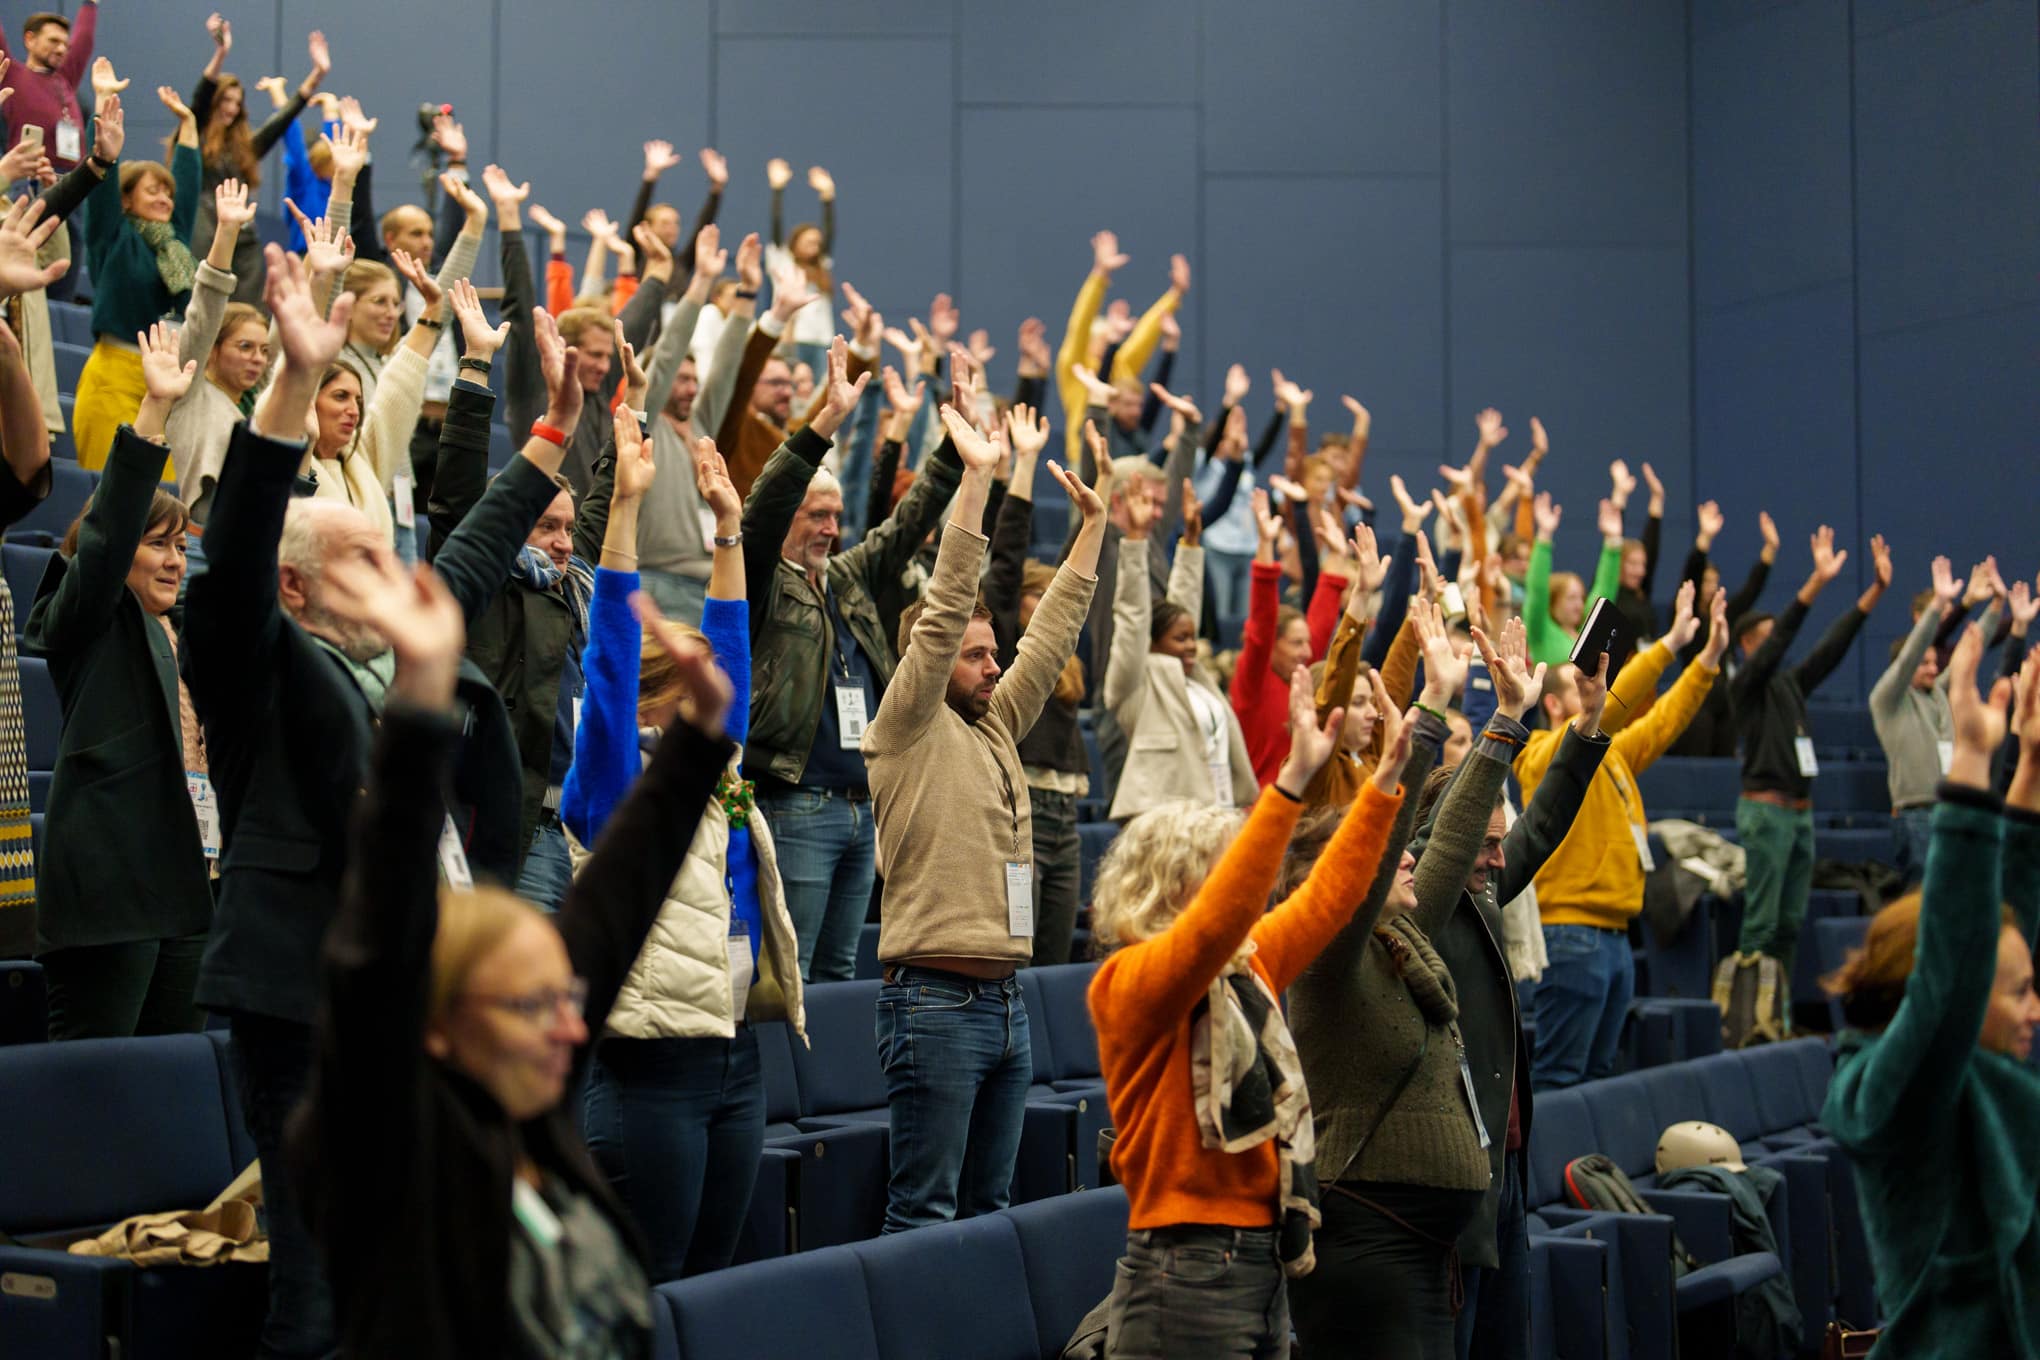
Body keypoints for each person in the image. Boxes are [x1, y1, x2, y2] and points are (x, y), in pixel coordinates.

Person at [184, 245, 592, 1357]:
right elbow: (229, 560)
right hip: (307, 998)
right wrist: (288, 386)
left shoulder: (398, 651)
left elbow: (475, 550)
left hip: (425, 985)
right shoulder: (261, 663)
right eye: (365, 563)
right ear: (296, 586)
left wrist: (553, 431)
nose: (397, 580)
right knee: (319, 1296)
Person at [289, 538, 735, 1358]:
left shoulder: (534, 1117)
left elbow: (614, 907)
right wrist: (422, 703)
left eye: (565, 1000)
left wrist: (699, 741)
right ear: (436, 1024)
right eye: (533, 1006)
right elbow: (378, 947)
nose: (570, 1026)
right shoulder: (394, 1145)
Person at [1089, 664, 1413, 1359]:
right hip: (1186, 1268)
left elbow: (1330, 893)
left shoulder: (1243, 967)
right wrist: (1292, 781)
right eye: (1228, 867)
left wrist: (1385, 781)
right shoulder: (1130, 981)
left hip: (1262, 1260)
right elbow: (1219, 920)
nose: (1252, 886)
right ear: (1177, 886)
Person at [566, 424, 806, 1279]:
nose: (715, 703)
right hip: (650, 1069)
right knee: (653, 1292)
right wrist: (626, 507)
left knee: (714, 1289)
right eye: (694, 691)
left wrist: (729, 528)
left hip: (735, 1056)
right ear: (655, 702)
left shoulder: (718, 772)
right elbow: (608, 664)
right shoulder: (612, 784)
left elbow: (730, 640)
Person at [862, 406, 1104, 1232]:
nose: (994, 665)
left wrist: (1092, 532)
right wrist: (975, 480)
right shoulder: (906, 723)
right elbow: (942, 611)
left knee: (992, 1215)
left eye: (992, 651)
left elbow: (1051, 636)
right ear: (930, 666)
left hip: (1006, 1004)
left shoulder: (995, 721)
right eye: (976, 655)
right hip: (933, 1004)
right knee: (924, 1215)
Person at [1287, 611, 1549, 1359]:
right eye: (1396, 854)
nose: (1415, 859)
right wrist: (1426, 720)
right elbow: (1382, 852)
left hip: (1426, 1250)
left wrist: (1505, 723)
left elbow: (1456, 834)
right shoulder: (1330, 957)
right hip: (1365, 1243)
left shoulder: (1402, 939)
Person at [1819, 625, 2040, 1359]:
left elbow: (2007, 914)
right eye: (2019, 993)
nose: (2035, 1009)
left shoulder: (1978, 1063)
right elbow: (1954, 978)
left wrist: (2030, 767)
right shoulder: (1883, 1091)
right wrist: (1972, 760)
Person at [739, 337, 963, 982]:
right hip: (797, 803)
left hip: (863, 807)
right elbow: (761, 514)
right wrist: (823, 427)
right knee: (790, 972)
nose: (831, 529)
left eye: (836, 516)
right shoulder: (756, 581)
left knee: (840, 971)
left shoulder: (847, 577)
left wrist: (953, 450)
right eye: (817, 515)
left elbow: (907, 524)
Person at [25, 324, 211, 1039]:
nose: (175, 562)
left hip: (190, 885)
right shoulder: (91, 619)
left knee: (171, 1078)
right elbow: (104, 544)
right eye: (157, 545)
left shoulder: (187, 632)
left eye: (181, 547)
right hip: (113, 891)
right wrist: (154, 413)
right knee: (95, 1082)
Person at [437, 297, 622, 911]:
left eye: (568, 527)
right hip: (515, 826)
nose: (564, 542)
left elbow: (605, 498)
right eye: (546, 526)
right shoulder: (487, 587)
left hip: (584, 827)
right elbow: (455, 499)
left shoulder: (576, 587)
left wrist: (637, 410)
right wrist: (475, 365)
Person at [1521, 581, 1729, 1089]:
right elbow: (1611, 706)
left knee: (1599, 1080)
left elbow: (1663, 722)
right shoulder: (1541, 756)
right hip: (1572, 932)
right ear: (1555, 705)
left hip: (1614, 936)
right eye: (1584, 686)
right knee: (1560, 1079)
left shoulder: (1611, 756)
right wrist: (1668, 646)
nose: (1597, 691)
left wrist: (1706, 661)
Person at [1732, 527, 1889, 987]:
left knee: (1789, 924)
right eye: (1766, 638)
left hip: (1800, 815)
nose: (1776, 644)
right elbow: (1784, 636)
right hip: (1766, 814)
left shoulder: (1791, 684)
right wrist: (1816, 581)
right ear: (1748, 645)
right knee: (1761, 924)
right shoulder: (1745, 687)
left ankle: (1775, 1013)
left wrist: (1876, 591)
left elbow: (1832, 649)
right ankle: (1749, 1012)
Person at [983, 401, 1093, 965]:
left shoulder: (1063, 659)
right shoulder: (1004, 645)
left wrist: (1097, 502)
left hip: (1066, 818)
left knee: (1053, 955)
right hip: (1020, 809)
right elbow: (1004, 562)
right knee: (1018, 954)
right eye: (1038, 596)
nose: (1048, 604)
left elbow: (1079, 578)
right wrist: (1023, 466)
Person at [1105, 473, 1255, 820]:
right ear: (1153, 644)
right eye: (1180, 639)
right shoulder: (1135, 685)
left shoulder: (1198, 681)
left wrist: (1190, 542)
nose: (1191, 646)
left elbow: (1184, 608)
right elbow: (1132, 616)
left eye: (1191, 638)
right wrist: (1136, 539)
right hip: (1163, 825)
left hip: (1216, 816)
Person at [72, 82, 200, 470]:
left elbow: (188, 186)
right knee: (109, 491)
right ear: (126, 199)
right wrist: (102, 111)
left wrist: (189, 124)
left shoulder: (173, 242)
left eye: (167, 193)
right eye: (153, 191)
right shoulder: (112, 235)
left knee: (162, 498)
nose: (165, 199)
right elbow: (101, 185)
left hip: (165, 388)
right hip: (112, 378)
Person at [185, 16, 329, 304]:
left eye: (237, 102)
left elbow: (283, 119)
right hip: (205, 228)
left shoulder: (245, 149)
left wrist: (318, 73)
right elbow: (200, 99)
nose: (231, 108)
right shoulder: (192, 137)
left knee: (248, 309)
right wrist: (221, 53)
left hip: (243, 236)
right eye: (225, 100)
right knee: (205, 301)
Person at [1873, 555, 1990, 884]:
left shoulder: (1936, 694)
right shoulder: (1887, 700)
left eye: (1934, 663)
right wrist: (1938, 606)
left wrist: (1995, 608)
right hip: (1916, 816)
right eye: (1924, 664)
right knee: (1921, 898)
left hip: (1950, 812)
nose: (1933, 668)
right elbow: (1910, 655)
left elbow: (1966, 654)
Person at [0, 3, 99, 300]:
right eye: (53, 40)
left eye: (64, 44)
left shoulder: (65, 79)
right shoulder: (13, 74)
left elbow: (83, 41)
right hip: (30, 178)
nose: (61, 49)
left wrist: (91, 4)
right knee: (28, 260)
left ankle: (58, 314)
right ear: (29, 39)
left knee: (67, 264)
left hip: (71, 183)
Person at [1667, 502, 1778, 757]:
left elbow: (1751, 591)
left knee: (1726, 761)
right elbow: (1692, 572)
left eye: (1715, 582)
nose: (1711, 587)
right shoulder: (1688, 617)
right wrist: (1704, 538)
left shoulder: (1723, 617)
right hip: (1697, 702)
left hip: (1725, 704)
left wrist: (1770, 550)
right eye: (1706, 581)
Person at [1521, 489, 1622, 668]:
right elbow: (1537, 590)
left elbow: (1604, 591)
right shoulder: (1541, 631)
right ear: (1553, 602)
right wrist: (1544, 537)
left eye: (1581, 598)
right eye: (1571, 598)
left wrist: (1613, 542)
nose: (1579, 604)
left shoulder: (1584, 633)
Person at [764, 157, 835, 377]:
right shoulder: (782, 261)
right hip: (794, 338)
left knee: (820, 388)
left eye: (817, 243)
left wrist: (828, 196)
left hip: (821, 339)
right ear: (795, 243)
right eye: (808, 241)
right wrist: (777, 189)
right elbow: (776, 226)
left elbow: (830, 233)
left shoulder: (821, 266)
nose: (815, 246)